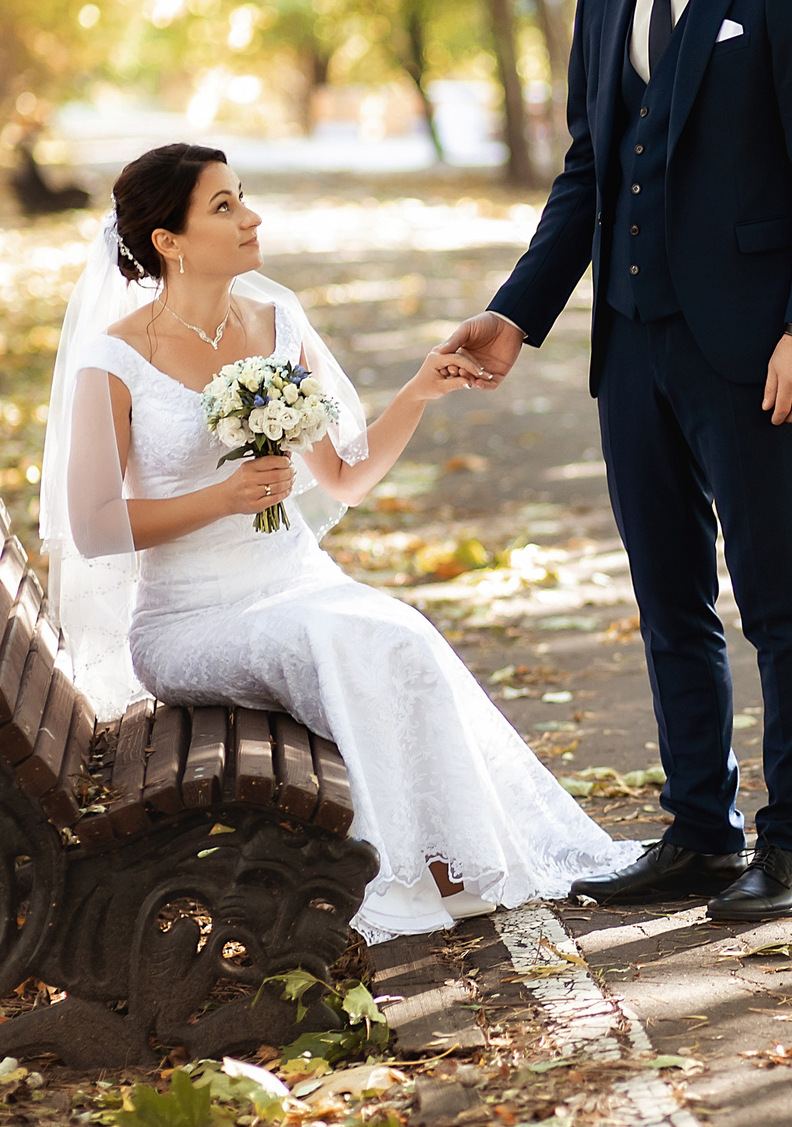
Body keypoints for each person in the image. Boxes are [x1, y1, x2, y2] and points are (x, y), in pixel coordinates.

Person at [436, 0, 792, 924]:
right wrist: (518, 312)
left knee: (777, 595)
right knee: (667, 597)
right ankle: (699, 831)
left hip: (753, 353)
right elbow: (587, 176)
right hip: (633, 350)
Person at [39, 141, 638, 941]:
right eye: (223, 206)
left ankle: (454, 861)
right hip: (189, 619)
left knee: (399, 633)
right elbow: (94, 525)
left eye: (244, 196)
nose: (251, 217)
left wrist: (420, 390)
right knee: (339, 637)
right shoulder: (115, 357)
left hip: (296, 581)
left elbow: (345, 478)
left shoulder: (276, 322)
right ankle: (391, 872)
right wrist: (219, 497)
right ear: (167, 241)